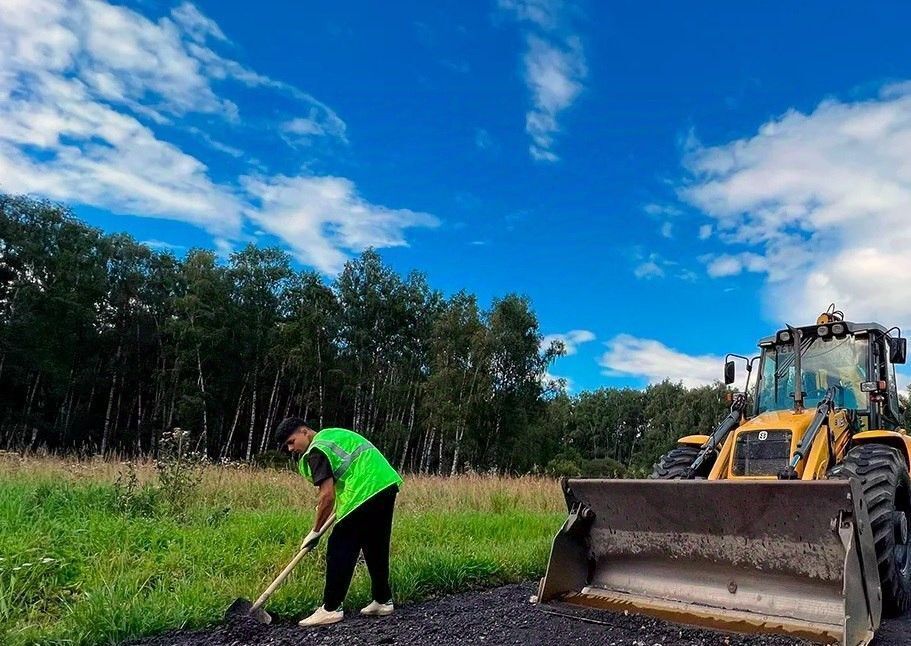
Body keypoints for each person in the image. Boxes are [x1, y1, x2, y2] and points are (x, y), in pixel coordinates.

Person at [274, 417, 403, 627]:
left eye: (291, 442)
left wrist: (315, 531)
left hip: (364, 490)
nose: (290, 449)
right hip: (384, 484)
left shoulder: (317, 450)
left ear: (304, 431)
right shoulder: (332, 435)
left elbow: (327, 496)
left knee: (339, 546)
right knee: (374, 545)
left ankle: (331, 608)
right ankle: (382, 600)